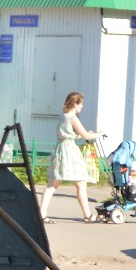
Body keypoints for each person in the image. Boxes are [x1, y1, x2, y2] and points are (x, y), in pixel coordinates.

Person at [39, 91, 103, 223]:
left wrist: (84, 134)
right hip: (70, 153)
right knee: (81, 184)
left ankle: (41, 214)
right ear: (75, 103)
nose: (82, 106)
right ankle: (87, 215)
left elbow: (69, 135)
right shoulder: (73, 118)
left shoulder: (63, 116)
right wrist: (99, 133)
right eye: (81, 104)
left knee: (52, 185)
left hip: (60, 151)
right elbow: (86, 136)